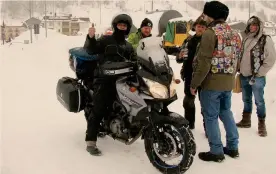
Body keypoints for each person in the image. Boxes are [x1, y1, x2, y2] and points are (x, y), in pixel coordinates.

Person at [190, 1, 241, 162]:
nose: (203, 17)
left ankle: (216, 151)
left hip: (211, 82)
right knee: (226, 112)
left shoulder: (210, 33)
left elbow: (204, 62)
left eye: (205, 14)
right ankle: (233, 147)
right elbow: (236, 59)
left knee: (210, 116)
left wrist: (194, 83)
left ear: (211, 15)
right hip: (228, 82)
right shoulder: (234, 33)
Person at [83, 14, 136, 156]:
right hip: (104, 79)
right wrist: (91, 37)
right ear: (115, 26)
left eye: (124, 26)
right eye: (120, 25)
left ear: (128, 28)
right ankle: (90, 141)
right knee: (99, 108)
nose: (122, 28)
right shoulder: (106, 40)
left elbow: (136, 60)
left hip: (123, 80)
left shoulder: (129, 46)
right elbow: (91, 49)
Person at [236, 16, 276, 137]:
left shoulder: (265, 39)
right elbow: (241, 55)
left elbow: (271, 59)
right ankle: (246, 120)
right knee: (246, 99)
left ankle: (261, 124)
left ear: (259, 26)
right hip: (244, 74)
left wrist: (260, 73)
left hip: (257, 76)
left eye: (255, 25)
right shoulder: (245, 38)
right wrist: (238, 68)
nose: (252, 27)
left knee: (259, 101)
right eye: (250, 25)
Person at [176, 19, 207, 131]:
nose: (200, 29)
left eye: (203, 27)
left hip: (204, 76)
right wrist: (179, 56)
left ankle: (208, 127)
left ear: (206, 29)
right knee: (188, 101)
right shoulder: (188, 40)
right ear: (195, 27)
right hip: (189, 75)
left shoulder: (208, 41)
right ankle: (189, 125)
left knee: (205, 104)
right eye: (199, 26)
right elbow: (179, 58)